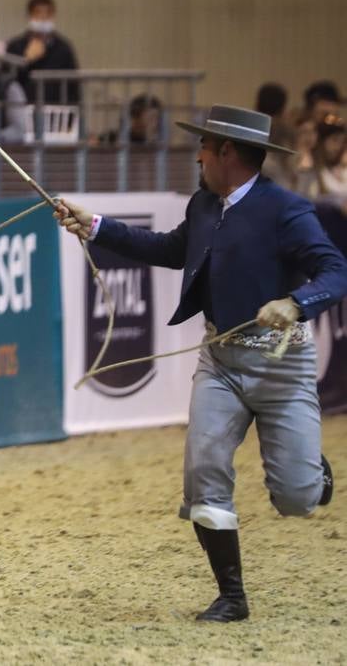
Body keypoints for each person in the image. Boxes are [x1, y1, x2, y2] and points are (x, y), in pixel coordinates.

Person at [55, 104, 346, 623]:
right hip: (220, 362)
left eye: (204, 148)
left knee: (298, 499)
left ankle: (313, 476)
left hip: (283, 367)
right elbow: (169, 249)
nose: (198, 156)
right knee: (202, 472)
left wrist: (296, 303)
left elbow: (335, 269)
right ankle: (231, 596)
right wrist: (95, 226)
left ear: (227, 152)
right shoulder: (204, 205)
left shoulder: (287, 210)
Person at [6, 0, 79, 103]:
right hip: (24, 107)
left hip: (57, 109)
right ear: (29, 16)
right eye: (38, 13)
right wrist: (26, 60)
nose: (43, 18)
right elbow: (9, 79)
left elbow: (73, 84)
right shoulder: (16, 45)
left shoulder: (64, 47)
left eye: (48, 13)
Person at [297, 116, 347, 200]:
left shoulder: (334, 169)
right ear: (321, 141)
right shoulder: (308, 165)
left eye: (341, 142)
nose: (338, 147)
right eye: (334, 140)